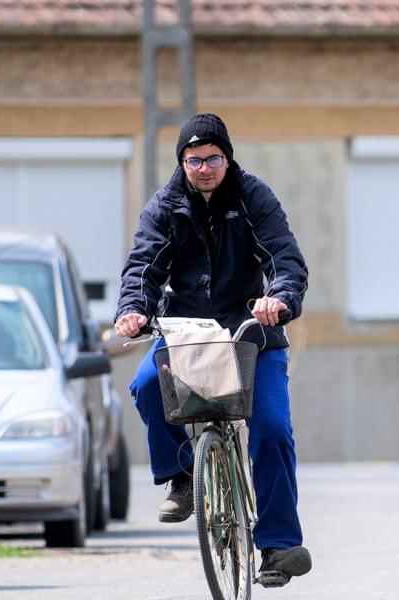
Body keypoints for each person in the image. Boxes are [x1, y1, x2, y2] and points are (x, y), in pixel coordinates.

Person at [114, 113, 311, 587]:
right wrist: (133, 310)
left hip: (250, 336)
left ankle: (279, 545)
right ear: (182, 162)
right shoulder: (164, 207)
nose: (204, 168)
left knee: (272, 428)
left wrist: (279, 299)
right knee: (144, 386)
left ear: (228, 158)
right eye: (194, 159)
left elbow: (285, 257)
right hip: (187, 336)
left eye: (214, 158)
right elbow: (143, 267)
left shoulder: (253, 198)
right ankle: (182, 476)